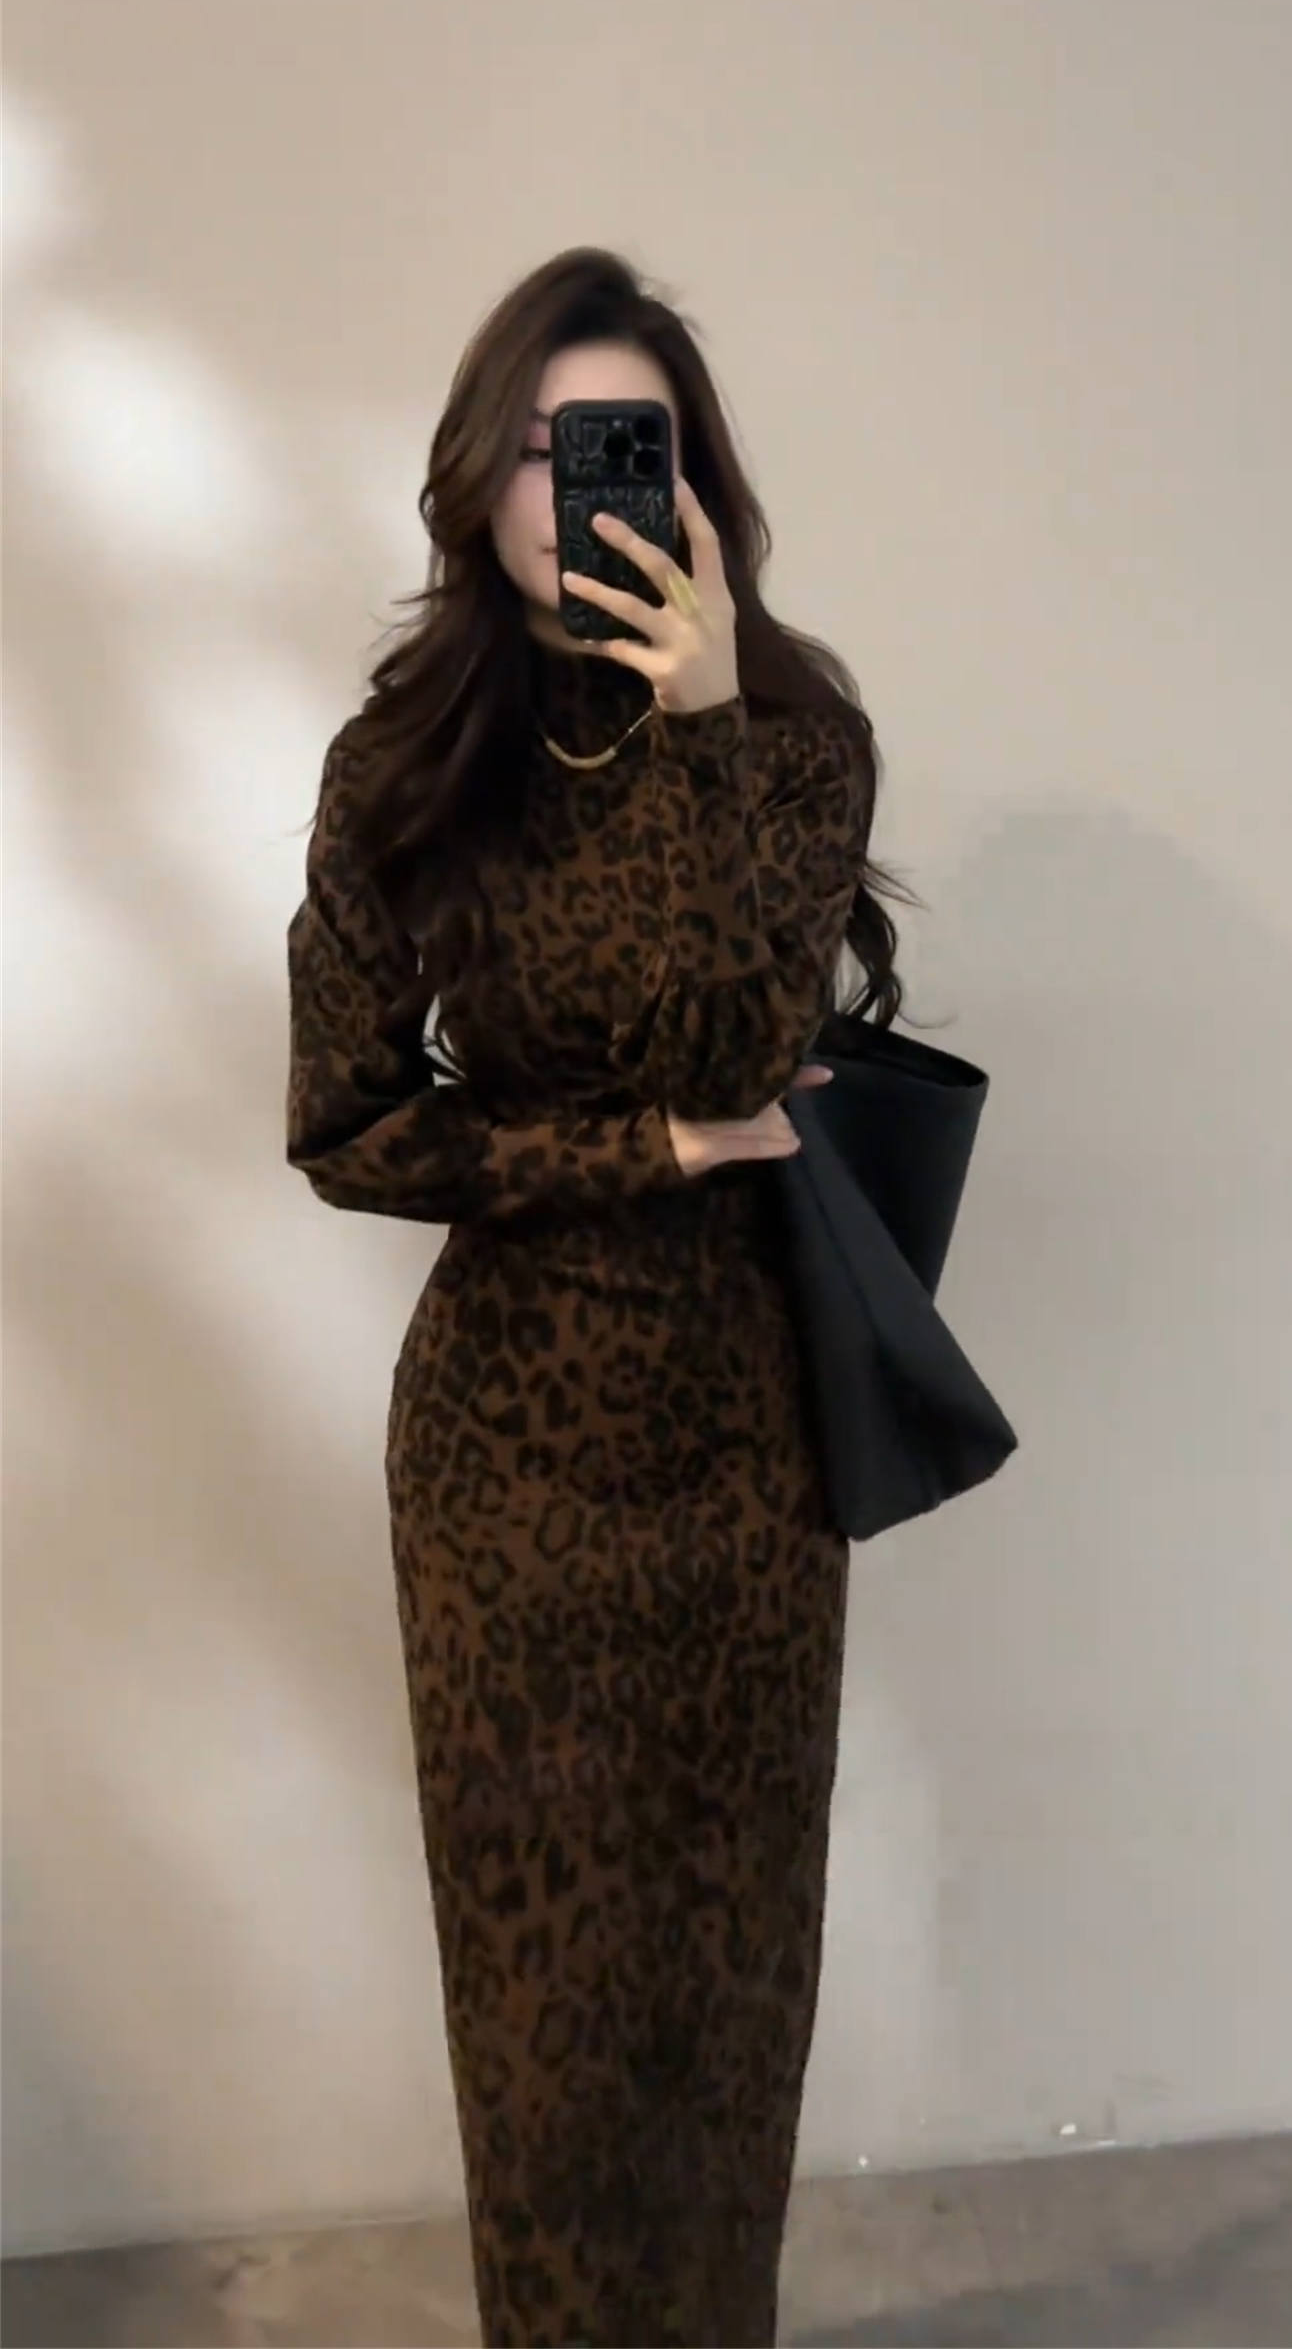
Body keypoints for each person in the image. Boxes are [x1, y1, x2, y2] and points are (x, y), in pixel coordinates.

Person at [286, 247, 902, 2348]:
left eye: (624, 442)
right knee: (541, 2025)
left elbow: (736, 1048)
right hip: (509, 1482)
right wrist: (636, 1155)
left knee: (726, 2007)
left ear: (694, 482)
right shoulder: (403, 763)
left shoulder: (797, 738)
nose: (580, 486)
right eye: (547, 445)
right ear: (479, 475)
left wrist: (704, 731)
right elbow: (346, 1124)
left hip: (745, 1466)